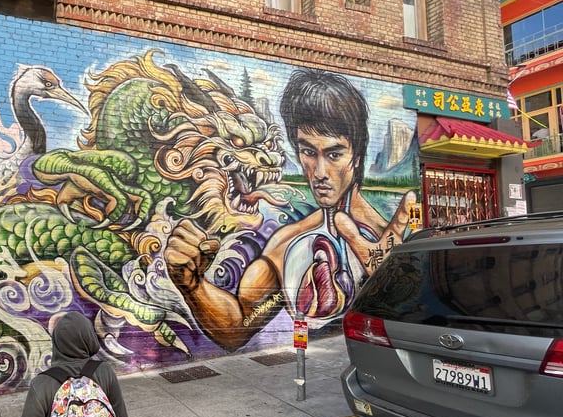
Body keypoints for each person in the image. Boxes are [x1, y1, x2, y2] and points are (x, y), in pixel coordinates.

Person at [164, 67, 415, 349]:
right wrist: (192, 286)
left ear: (356, 156)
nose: (319, 172)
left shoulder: (390, 238)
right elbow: (238, 326)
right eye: (308, 152)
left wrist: (392, 283)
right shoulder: (289, 242)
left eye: (334, 154)